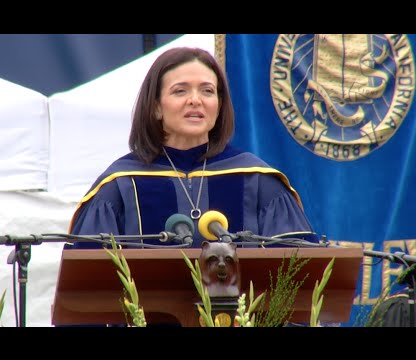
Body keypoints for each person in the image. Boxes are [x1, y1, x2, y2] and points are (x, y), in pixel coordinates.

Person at [66, 46, 317, 250]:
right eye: (180, 91)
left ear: (219, 105)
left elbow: (297, 273)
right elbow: (87, 282)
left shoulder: (257, 179)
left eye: (207, 91)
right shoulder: (120, 183)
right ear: (156, 107)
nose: (195, 100)